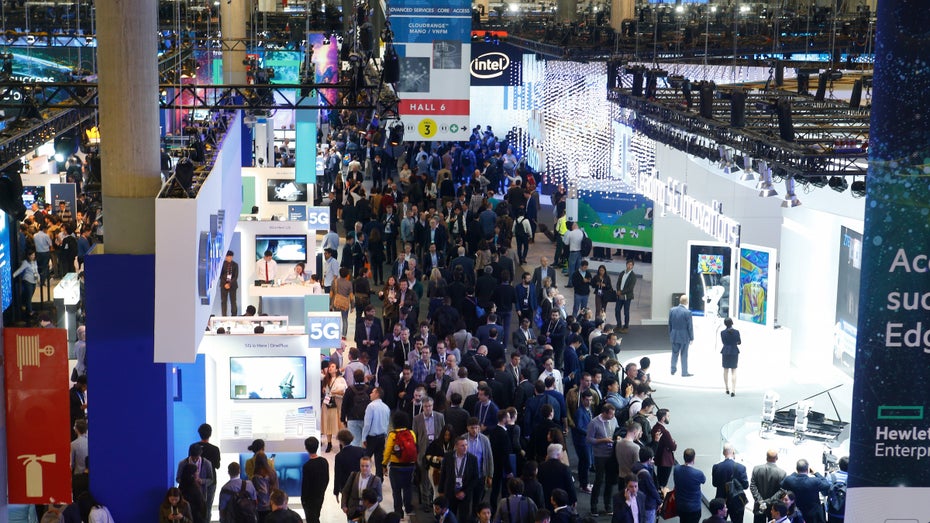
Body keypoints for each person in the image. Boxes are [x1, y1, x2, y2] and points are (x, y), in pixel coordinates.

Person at [439, 435, 480, 523]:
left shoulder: (473, 459)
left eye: (466, 445)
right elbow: (443, 474)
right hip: (450, 492)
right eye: (462, 445)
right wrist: (441, 491)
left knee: (464, 518)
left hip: (465, 493)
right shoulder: (448, 457)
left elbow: (475, 478)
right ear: (456, 446)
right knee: (450, 517)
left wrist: (464, 492)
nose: (465, 447)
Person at [588, 401, 618, 516]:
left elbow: (617, 430)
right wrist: (603, 440)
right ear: (604, 413)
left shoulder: (614, 420)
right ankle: (593, 506)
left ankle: (608, 506)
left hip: (611, 454)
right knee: (599, 480)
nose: (613, 416)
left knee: (610, 481)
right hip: (600, 455)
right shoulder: (594, 423)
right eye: (611, 414)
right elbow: (589, 439)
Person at [175, 444, 215, 523]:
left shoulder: (207, 463)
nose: (195, 459)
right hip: (186, 493)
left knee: (202, 514)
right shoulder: (182, 463)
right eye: (193, 457)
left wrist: (202, 481)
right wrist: (189, 480)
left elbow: (211, 479)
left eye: (197, 457)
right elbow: (178, 478)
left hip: (201, 493)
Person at [711, 443, 748, 523]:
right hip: (737, 501)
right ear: (733, 452)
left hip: (721, 502)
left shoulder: (716, 467)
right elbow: (745, 486)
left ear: (723, 453)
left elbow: (714, 484)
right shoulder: (741, 467)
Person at [750, 450, 787, 523]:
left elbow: (752, 486)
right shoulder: (782, 473)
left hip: (759, 506)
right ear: (777, 458)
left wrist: (761, 501)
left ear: (766, 457)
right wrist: (768, 501)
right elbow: (782, 491)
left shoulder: (756, 469)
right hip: (773, 508)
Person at [363, 387, 392, 478]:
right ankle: (379, 479)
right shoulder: (386, 407)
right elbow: (387, 423)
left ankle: (364, 477)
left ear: (377, 394)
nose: (370, 394)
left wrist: (364, 437)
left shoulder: (371, 406)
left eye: (372, 392)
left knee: (365, 459)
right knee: (379, 461)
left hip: (371, 437)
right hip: (381, 437)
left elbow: (367, 424)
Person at [538, 445, 576, 511]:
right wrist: (573, 499)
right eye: (561, 452)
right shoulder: (564, 468)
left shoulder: (541, 466)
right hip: (560, 500)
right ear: (558, 455)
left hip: (545, 499)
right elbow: (570, 485)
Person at [672, 449, 706, 523]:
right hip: (694, 508)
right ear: (694, 458)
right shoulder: (698, 473)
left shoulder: (676, 469)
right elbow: (703, 480)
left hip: (680, 505)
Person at [301, 437, 329, 523]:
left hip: (310, 499)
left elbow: (305, 485)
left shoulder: (307, 466)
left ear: (306, 448)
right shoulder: (324, 461)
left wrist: (303, 499)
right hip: (320, 495)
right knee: (316, 516)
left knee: (311, 519)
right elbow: (327, 479)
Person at [322, 362, 349, 452]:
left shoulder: (341, 379)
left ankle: (341, 443)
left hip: (338, 403)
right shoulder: (326, 379)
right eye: (329, 366)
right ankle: (329, 443)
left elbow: (344, 391)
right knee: (328, 423)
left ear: (337, 369)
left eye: (332, 366)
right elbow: (325, 391)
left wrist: (334, 392)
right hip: (327, 403)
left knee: (339, 423)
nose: (330, 368)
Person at [668, 295, 694, 376]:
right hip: (684, 336)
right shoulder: (687, 312)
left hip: (674, 335)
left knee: (674, 353)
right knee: (684, 354)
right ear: (686, 302)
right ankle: (684, 372)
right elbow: (690, 327)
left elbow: (670, 324)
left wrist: (671, 334)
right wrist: (692, 337)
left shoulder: (672, 310)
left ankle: (672, 370)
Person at [650, 409, 676, 488]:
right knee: (663, 483)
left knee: (659, 479)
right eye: (668, 416)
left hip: (659, 458)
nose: (669, 417)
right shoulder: (665, 432)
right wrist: (674, 443)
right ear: (663, 418)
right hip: (666, 460)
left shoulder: (655, 427)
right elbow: (673, 447)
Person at [252, 453, 279, 522]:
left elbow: (262, 492)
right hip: (273, 505)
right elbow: (277, 488)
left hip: (261, 507)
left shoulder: (256, 476)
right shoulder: (273, 472)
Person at [12, 250, 39, 316]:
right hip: (27, 280)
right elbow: (20, 270)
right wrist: (13, 275)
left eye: (34, 255)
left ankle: (27, 308)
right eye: (32, 255)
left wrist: (38, 278)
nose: (33, 256)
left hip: (34, 281)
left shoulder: (35, 262)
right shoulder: (25, 262)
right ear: (28, 256)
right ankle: (30, 311)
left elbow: (36, 271)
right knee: (29, 296)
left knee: (30, 295)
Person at [720, 317, 741, 396]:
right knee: (734, 371)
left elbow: (723, 342)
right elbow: (739, 342)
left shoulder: (722, 332)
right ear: (732, 323)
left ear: (725, 324)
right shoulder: (736, 332)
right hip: (734, 351)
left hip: (725, 351)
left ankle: (726, 388)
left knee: (725, 370)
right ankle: (733, 390)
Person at [614, 260, 637, 333]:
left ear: (632, 266)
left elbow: (630, 288)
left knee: (626, 312)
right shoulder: (622, 273)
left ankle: (626, 327)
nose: (629, 266)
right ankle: (619, 325)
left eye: (631, 265)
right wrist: (618, 290)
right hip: (619, 296)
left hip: (627, 297)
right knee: (617, 310)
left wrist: (621, 292)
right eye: (628, 264)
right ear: (626, 264)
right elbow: (618, 283)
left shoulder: (633, 276)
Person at [826, 456, 848, 523]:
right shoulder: (853, 479)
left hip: (832, 512)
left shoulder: (830, 477)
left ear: (839, 465)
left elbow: (825, 493)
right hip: (847, 513)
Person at [219, 250, 239, 315]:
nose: (229, 258)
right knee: (223, 301)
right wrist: (225, 284)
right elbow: (220, 275)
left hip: (232, 285)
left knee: (233, 301)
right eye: (228, 256)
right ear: (225, 257)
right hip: (223, 285)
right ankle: (224, 316)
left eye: (230, 257)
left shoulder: (235, 265)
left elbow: (235, 276)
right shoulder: (222, 264)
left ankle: (234, 316)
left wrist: (229, 284)